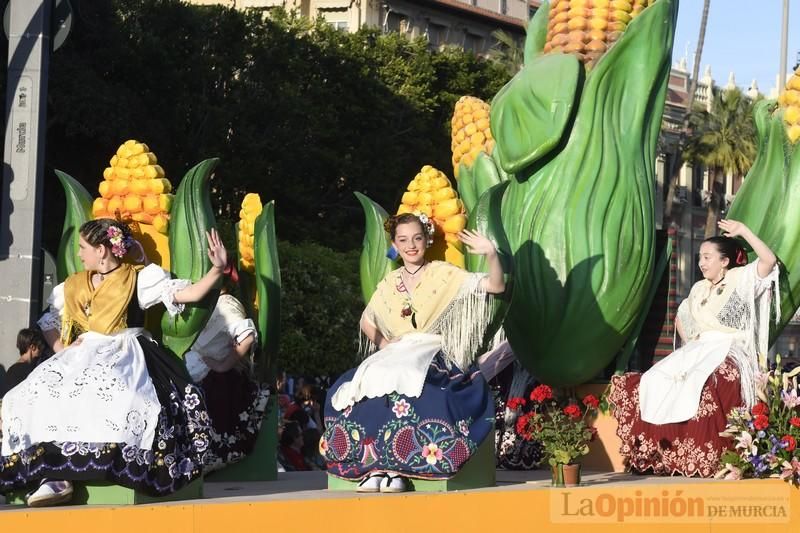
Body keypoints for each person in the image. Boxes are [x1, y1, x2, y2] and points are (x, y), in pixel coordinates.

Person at [0, 218, 228, 506]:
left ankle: (99, 467)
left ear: (102, 250)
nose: (80, 254)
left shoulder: (138, 278)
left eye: (83, 247)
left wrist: (217, 268)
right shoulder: (74, 285)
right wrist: (61, 348)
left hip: (125, 349)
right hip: (82, 352)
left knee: (120, 394)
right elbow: (49, 321)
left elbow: (188, 293)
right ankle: (54, 474)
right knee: (28, 394)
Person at [321, 213, 505, 493]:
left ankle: (399, 470)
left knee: (416, 382)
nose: (411, 245)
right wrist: (386, 346)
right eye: (403, 240)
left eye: (417, 238)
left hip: (431, 350)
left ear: (426, 240)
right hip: (397, 352)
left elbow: (496, 286)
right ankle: (374, 467)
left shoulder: (443, 273)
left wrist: (491, 254)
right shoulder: (389, 283)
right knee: (359, 383)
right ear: (395, 243)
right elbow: (366, 321)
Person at [609, 219, 779, 477]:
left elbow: (768, 260)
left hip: (729, 347)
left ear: (724, 261)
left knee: (706, 383)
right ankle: (664, 455)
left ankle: (709, 458)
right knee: (653, 379)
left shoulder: (740, 278)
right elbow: (682, 320)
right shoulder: (699, 289)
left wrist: (744, 230)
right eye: (700, 257)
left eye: (708, 257)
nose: (702, 262)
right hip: (700, 348)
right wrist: (689, 350)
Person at [183, 280, 270, 473]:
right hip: (195, 370)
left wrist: (222, 366)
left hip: (208, 374)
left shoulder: (226, 303)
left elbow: (246, 336)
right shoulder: (207, 303)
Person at [0, 329, 53, 398]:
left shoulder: (11, 370)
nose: (41, 351)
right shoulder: (29, 371)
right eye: (40, 347)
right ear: (32, 347)